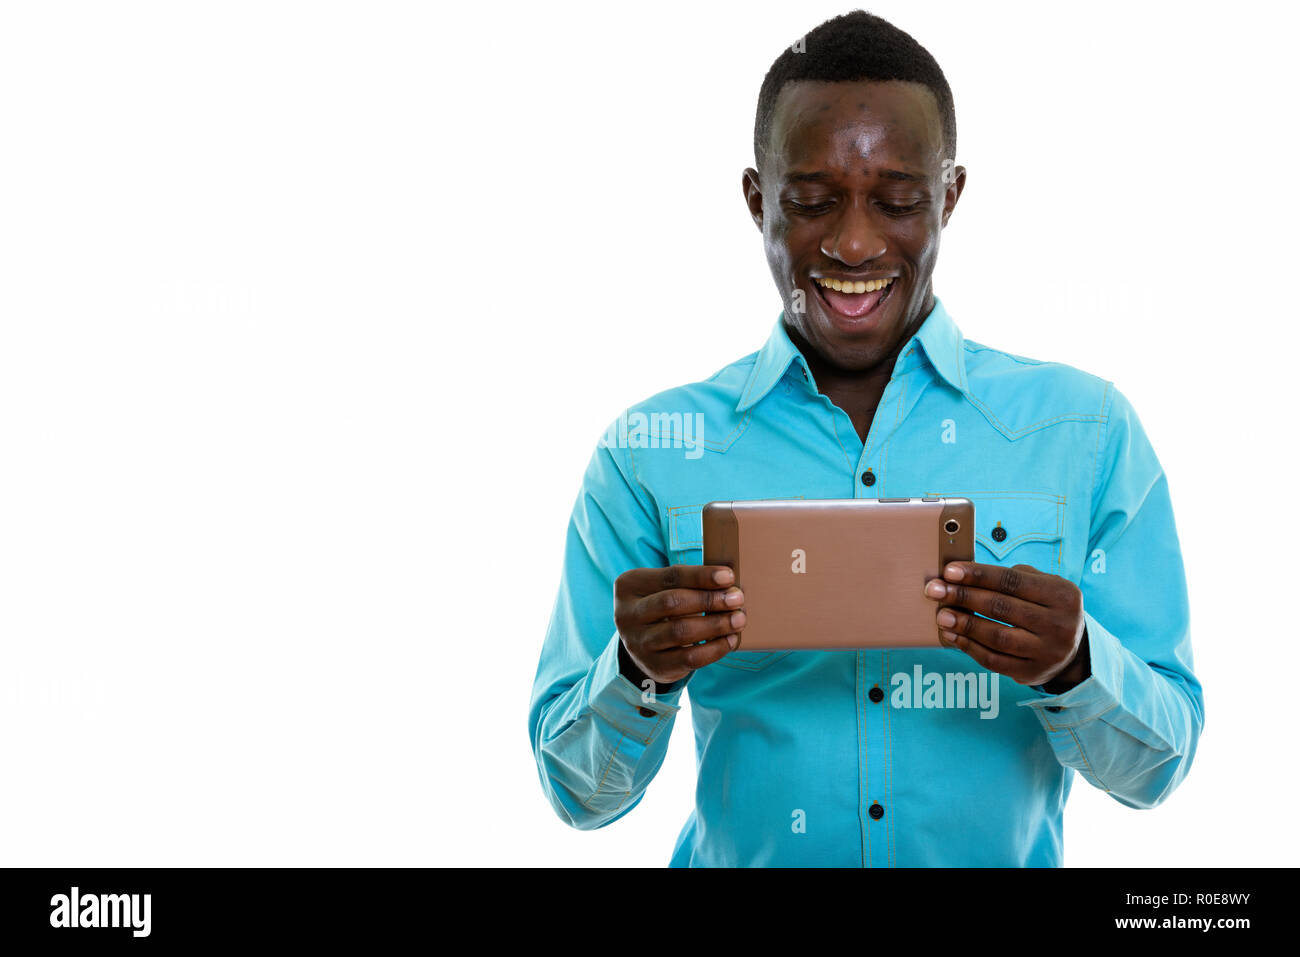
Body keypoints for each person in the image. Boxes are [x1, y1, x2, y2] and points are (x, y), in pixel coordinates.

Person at [527, 9, 1202, 867]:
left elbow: (1160, 767)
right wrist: (637, 672)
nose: (853, 243)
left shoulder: (1087, 432)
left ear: (950, 197)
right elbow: (576, 794)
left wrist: (1075, 663)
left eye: (898, 201)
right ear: (756, 198)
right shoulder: (646, 454)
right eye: (810, 202)